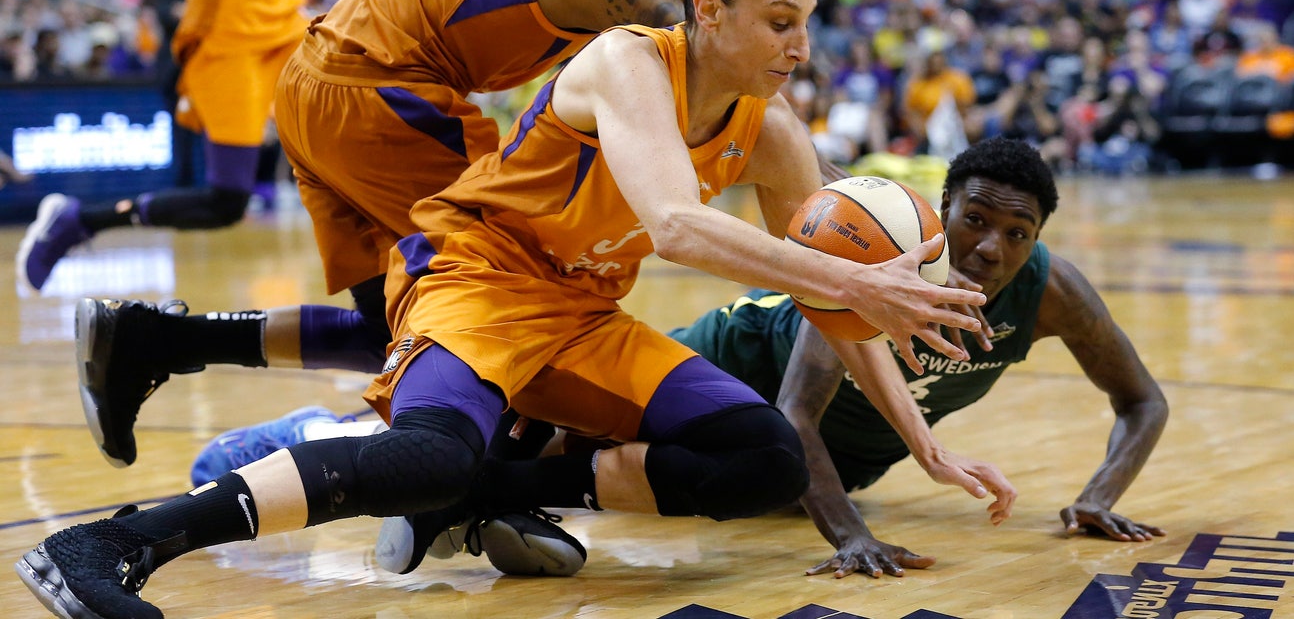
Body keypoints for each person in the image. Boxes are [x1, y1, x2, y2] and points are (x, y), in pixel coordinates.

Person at [16, 0, 998, 619]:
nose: (800, 45)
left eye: (808, 21)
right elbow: (676, 222)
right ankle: (111, 543)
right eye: (780, 20)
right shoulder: (625, 60)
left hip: (578, 314)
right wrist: (871, 287)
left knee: (764, 456)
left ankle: (485, 490)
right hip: (477, 279)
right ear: (707, 10)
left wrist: (922, 438)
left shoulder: (773, 132)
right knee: (423, 451)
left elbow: (830, 295)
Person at [199, 138, 1164, 580]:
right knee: (498, 434)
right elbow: (795, 413)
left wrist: (1101, 492)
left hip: (811, 468)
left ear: (1038, 237)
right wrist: (847, 536)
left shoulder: (1054, 292)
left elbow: (1142, 401)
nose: (990, 248)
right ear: (941, 209)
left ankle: (469, 504)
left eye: (1015, 232)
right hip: (705, 378)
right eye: (973, 220)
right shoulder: (878, 270)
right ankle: (304, 440)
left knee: (525, 465)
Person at [64, 0, 758, 473]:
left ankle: (154, 340)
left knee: (388, 328)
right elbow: (725, 68)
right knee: (507, 296)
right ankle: (475, 490)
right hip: (387, 95)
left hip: (321, 76)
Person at [15, 0, 397, 292]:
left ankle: (386, 298)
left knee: (354, 120)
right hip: (229, 32)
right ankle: (77, 222)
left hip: (285, 17)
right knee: (227, 201)